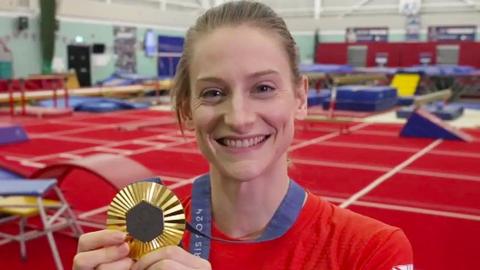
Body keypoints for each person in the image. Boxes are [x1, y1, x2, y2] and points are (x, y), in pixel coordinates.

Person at [73, 1, 414, 269]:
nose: (239, 118)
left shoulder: (370, 251)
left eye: (263, 88)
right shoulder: (145, 235)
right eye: (213, 93)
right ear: (187, 109)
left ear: (300, 97)